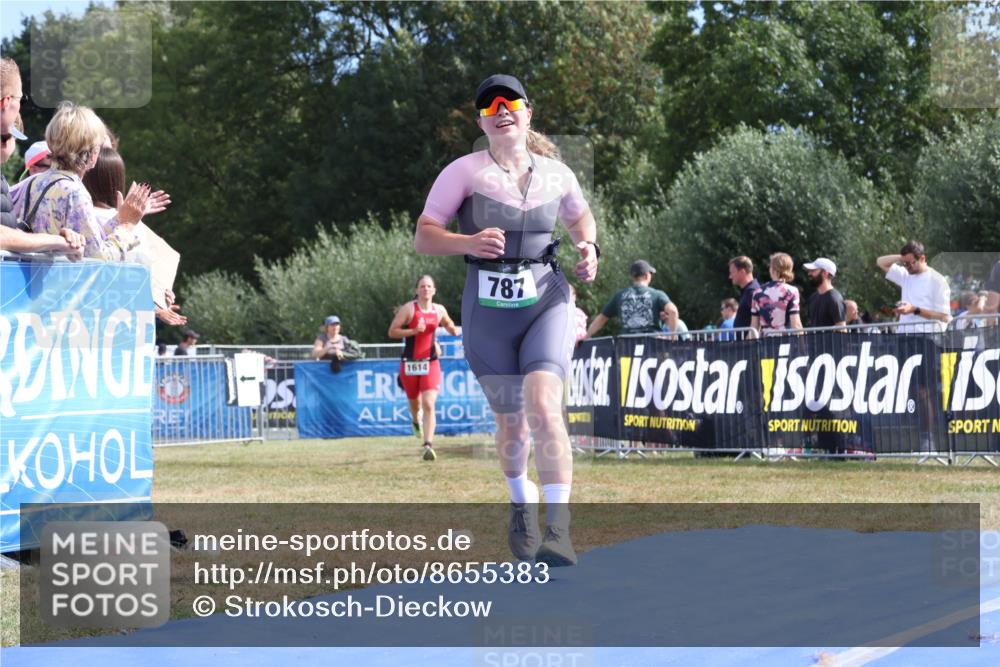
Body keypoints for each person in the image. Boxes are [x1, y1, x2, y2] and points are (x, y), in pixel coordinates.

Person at [414, 74, 598, 567]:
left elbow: (581, 219)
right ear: (481, 120)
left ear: (527, 112)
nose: (501, 110)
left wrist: (589, 246)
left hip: (547, 300)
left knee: (544, 404)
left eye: (510, 102)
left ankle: (558, 531)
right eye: (489, 106)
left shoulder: (558, 174)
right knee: (513, 426)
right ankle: (522, 502)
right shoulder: (464, 172)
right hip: (488, 312)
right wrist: (467, 243)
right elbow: (424, 236)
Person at [11, 101, 150, 261]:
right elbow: (98, 259)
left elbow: (89, 239)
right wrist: (127, 226)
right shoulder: (75, 193)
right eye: (99, 147)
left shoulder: (34, 182)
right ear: (91, 154)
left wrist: (120, 218)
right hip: (58, 284)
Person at [83, 146, 184, 325]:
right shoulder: (132, 226)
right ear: (118, 178)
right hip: (126, 321)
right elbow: (141, 274)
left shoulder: (78, 212)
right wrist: (159, 301)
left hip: (83, 312)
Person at [387, 275, 460, 461]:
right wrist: (413, 331)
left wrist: (452, 330)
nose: (426, 289)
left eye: (429, 286)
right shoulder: (409, 309)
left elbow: (449, 323)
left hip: (431, 362)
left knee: (428, 404)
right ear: (416, 290)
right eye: (422, 286)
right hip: (410, 363)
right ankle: (414, 421)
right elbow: (392, 331)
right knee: (415, 403)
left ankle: (428, 445)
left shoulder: (439, 309)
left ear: (434, 290)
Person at [876, 241, 951, 332]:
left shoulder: (938, 280)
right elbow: (880, 262)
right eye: (905, 263)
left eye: (912, 262)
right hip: (904, 335)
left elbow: (945, 317)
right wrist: (901, 257)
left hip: (927, 336)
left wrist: (914, 310)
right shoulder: (905, 275)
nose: (908, 266)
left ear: (922, 259)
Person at [587, 260, 674, 337]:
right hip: (653, 346)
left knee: (624, 356)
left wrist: (586, 336)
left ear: (632, 277)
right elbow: (673, 311)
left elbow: (601, 319)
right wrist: (673, 337)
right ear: (647, 276)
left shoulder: (619, 295)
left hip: (627, 346)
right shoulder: (657, 294)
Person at [751, 252, 803, 333]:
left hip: (765, 341)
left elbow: (754, 328)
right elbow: (796, 324)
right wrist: (803, 345)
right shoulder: (792, 291)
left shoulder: (757, 292)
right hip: (785, 341)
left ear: (772, 269)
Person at [803, 257, 846, 328]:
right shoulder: (813, 298)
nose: (809, 273)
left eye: (813, 270)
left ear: (825, 273)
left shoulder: (834, 299)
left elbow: (842, 330)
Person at [728, 255, 761, 336]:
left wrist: (749, 340)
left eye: (732, 272)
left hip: (749, 346)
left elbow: (760, 321)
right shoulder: (748, 291)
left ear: (742, 272)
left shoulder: (752, 292)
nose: (730, 276)